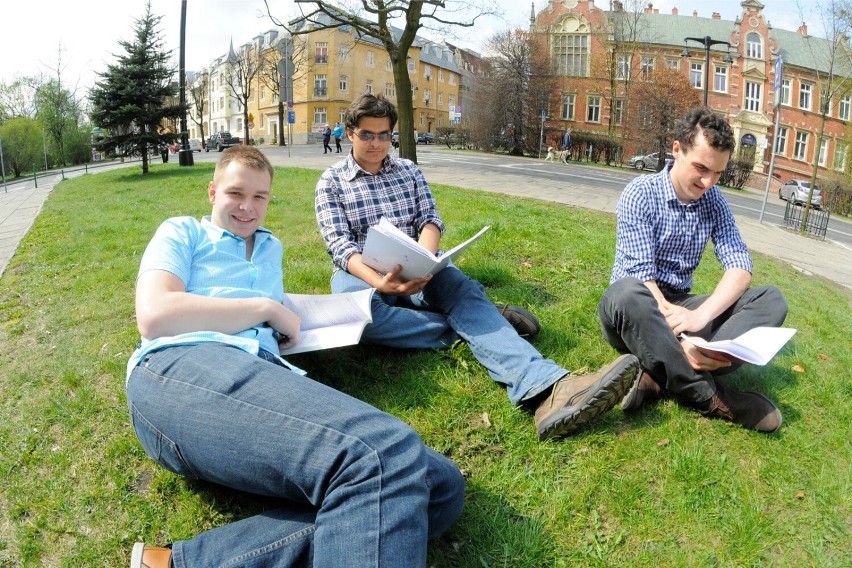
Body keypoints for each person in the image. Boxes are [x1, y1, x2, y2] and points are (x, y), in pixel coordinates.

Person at [126, 146, 465, 568]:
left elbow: (266, 301)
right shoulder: (181, 232)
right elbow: (155, 315)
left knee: (437, 484)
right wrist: (266, 310)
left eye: (259, 197)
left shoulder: (269, 248)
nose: (247, 207)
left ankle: (184, 563)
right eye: (235, 194)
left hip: (260, 371)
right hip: (180, 369)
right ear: (212, 192)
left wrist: (295, 317)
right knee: (382, 454)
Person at [315, 94, 640, 441]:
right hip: (361, 274)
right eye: (367, 134)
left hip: (417, 267)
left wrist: (424, 262)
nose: (377, 143)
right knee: (359, 321)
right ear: (349, 132)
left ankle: (549, 389)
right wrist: (382, 285)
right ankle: (485, 321)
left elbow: (429, 219)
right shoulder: (331, 182)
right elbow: (341, 247)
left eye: (384, 135)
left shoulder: (407, 170)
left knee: (461, 289)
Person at [597, 106, 788, 433]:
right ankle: (712, 397)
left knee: (772, 300)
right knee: (628, 293)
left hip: (682, 308)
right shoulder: (641, 193)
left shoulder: (714, 201)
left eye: (717, 173)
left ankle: (658, 374)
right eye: (701, 167)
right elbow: (643, 278)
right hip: (636, 309)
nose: (708, 181)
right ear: (677, 150)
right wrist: (684, 337)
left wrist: (699, 319)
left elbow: (740, 266)